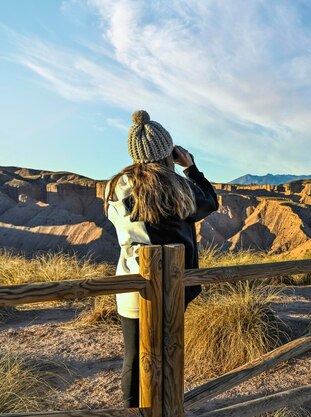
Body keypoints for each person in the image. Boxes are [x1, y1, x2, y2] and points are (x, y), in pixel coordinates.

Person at [104, 109, 219, 407]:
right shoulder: (174, 186)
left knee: (134, 358)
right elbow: (209, 202)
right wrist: (190, 168)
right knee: (167, 355)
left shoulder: (114, 186)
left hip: (130, 285)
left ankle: (135, 412)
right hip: (170, 287)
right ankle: (166, 409)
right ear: (167, 150)